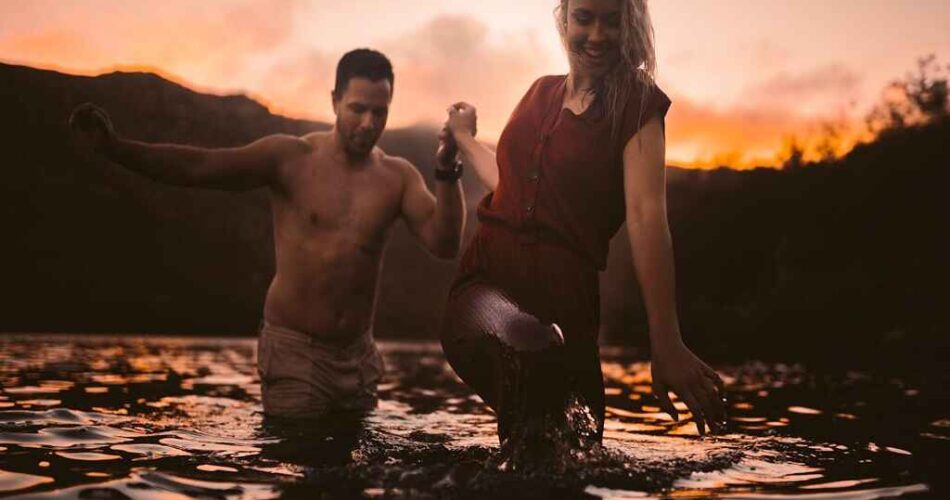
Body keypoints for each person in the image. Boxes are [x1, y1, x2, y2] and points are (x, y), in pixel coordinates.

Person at [69, 48, 466, 419]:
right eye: (357, 109)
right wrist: (117, 149)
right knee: (301, 466)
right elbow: (200, 167)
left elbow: (444, 243)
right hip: (296, 350)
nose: (369, 123)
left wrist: (447, 170)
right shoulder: (290, 158)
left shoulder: (396, 177)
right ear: (334, 101)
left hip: (359, 357)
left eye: (379, 112)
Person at [439, 0, 726, 458]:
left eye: (612, 20)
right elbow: (507, 181)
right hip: (485, 291)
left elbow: (647, 215)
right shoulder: (538, 93)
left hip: (568, 312)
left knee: (572, 461)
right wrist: (463, 139)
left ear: (629, 24)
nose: (597, 34)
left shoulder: (637, 105)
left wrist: (666, 342)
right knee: (529, 346)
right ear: (564, 17)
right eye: (585, 17)